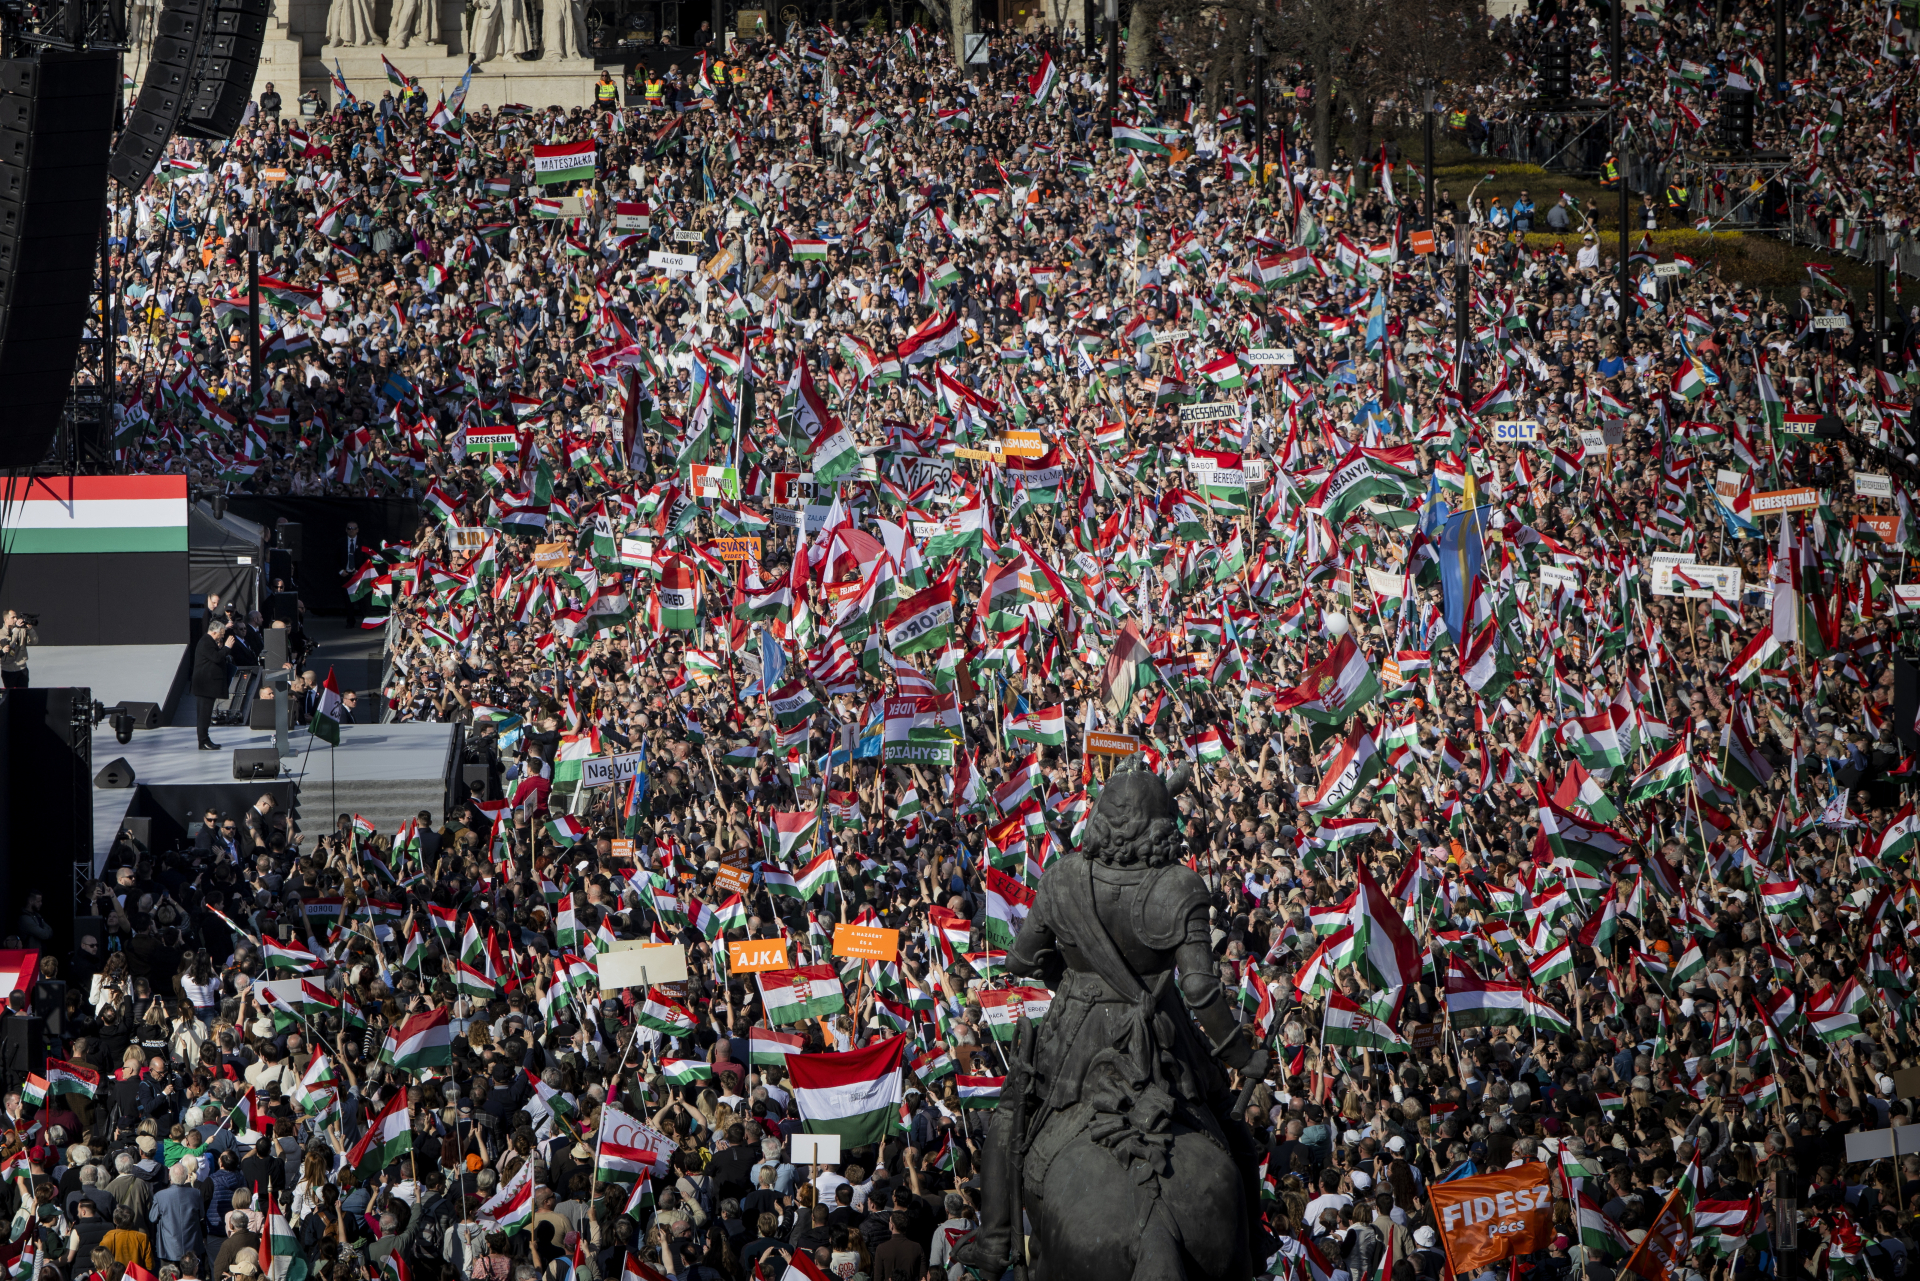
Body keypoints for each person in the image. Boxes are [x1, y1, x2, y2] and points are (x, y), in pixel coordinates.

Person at [191, 622, 235, 750]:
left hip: (206, 685)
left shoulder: (208, 642)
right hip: (205, 686)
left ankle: (205, 739)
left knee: (205, 714)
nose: (222, 637)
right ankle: (203, 741)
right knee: (204, 715)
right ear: (214, 632)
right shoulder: (206, 642)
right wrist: (227, 648)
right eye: (221, 634)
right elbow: (216, 658)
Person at [0, 608, 36, 689]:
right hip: (8, 670)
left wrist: (30, 630)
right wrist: (16, 629)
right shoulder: (1, 633)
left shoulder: (21, 630)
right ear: (5, 619)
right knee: (11, 694)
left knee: (23, 694)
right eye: (13, 617)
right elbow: (9, 644)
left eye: (16, 617)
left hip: (22, 669)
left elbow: (34, 641)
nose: (16, 619)